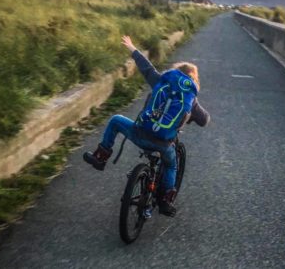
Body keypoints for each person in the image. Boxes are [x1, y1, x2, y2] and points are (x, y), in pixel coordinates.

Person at [83, 36, 210, 217]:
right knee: (171, 166)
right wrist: (192, 116)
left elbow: (146, 67)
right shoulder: (191, 99)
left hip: (139, 132)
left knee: (116, 120)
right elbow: (204, 120)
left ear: (175, 72)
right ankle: (165, 201)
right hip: (164, 144)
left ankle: (101, 157)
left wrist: (133, 48)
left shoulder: (161, 80)